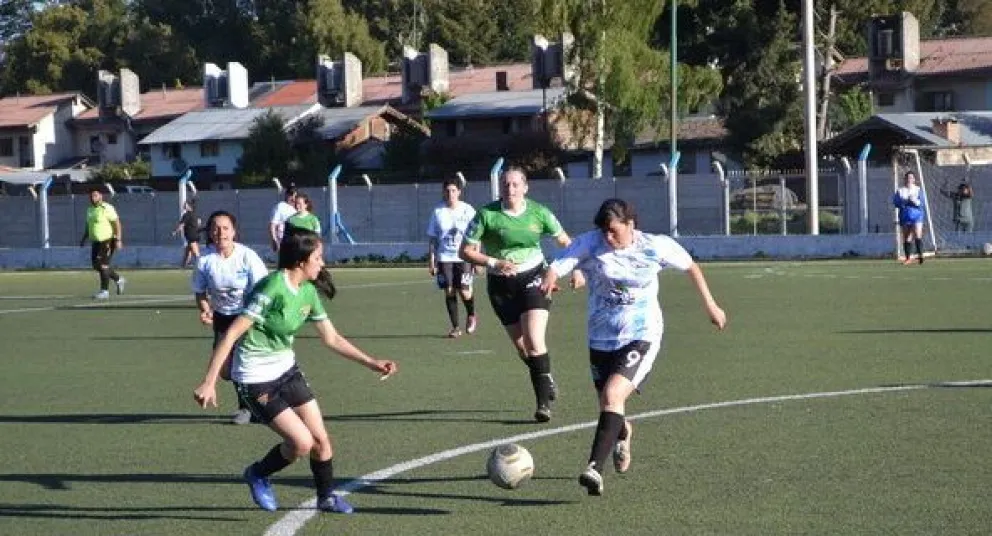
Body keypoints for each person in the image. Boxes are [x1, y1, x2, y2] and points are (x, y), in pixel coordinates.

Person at [193, 229, 398, 514]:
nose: (322, 264)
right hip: (255, 379)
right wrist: (209, 382)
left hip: (287, 371)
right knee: (301, 443)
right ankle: (258, 473)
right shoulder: (272, 287)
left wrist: (371, 362)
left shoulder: (308, 292)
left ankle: (325, 497)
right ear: (301, 261)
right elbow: (230, 335)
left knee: (321, 440)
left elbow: (332, 338)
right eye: (318, 258)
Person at [541, 198, 727, 496]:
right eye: (604, 231)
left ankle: (593, 469)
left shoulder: (655, 246)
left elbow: (691, 267)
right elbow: (558, 265)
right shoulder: (590, 243)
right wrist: (549, 280)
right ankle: (623, 431)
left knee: (613, 395)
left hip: (642, 334)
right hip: (600, 337)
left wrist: (711, 306)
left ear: (630, 224)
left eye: (613, 230)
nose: (608, 237)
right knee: (608, 402)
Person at [459, 166, 580, 423]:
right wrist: (494, 263)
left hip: (534, 277)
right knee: (523, 348)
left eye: (515, 184)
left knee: (534, 340)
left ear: (525, 187)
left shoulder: (539, 213)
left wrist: (576, 270)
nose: (510, 189)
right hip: (501, 287)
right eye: (505, 184)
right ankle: (545, 376)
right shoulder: (486, 215)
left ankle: (543, 405)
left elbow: (567, 243)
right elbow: (465, 251)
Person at [191, 210, 269, 425]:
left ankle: (247, 408)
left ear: (234, 231)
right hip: (222, 318)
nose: (220, 232)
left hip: (247, 316)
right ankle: (257, 404)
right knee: (225, 370)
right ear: (209, 232)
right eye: (215, 228)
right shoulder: (205, 260)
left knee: (244, 362)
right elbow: (200, 292)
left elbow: (265, 289)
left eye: (225, 228)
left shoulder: (247, 256)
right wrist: (205, 309)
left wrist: (256, 314)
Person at [427, 178, 478, 338]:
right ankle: (455, 327)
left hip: (464, 255)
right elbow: (433, 238)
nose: (450, 194)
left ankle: (471, 314)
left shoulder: (468, 210)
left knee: (464, 291)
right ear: (444, 192)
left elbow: (477, 235)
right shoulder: (438, 212)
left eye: (453, 190)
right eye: (447, 191)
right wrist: (431, 260)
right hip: (444, 257)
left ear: (459, 192)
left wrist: (477, 257)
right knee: (449, 291)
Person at [79, 188, 126, 299]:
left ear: (101, 196)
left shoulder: (107, 208)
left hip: (107, 240)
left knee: (103, 265)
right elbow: (88, 226)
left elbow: (117, 223)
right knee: (96, 266)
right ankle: (119, 279)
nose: (92, 197)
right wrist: (84, 238)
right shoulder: (90, 209)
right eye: (91, 195)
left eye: (95, 195)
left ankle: (104, 291)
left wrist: (118, 239)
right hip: (95, 242)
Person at [893, 171, 927, 265]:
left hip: (917, 215)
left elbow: (922, 203)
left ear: (914, 179)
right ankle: (908, 258)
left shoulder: (918, 189)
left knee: (917, 234)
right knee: (907, 237)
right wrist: (904, 202)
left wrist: (915, 201)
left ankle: (920, 256)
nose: (909, 179)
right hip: (905, 216)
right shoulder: (900, 190)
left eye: (911, 178)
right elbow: (896, 202)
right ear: (905, 179)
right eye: (908, 178)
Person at [172, 199, 202, 268]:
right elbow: (199, 222)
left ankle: (201, 266)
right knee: (187, 253)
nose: (184, 205)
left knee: (196, 253)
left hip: (191, 236)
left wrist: (175, 232)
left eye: (185, 204)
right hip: (195, 235)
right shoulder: (194, 214)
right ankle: (183, 266)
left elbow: (181, 225)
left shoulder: (187, 215)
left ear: (189, 206)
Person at [269, 185, 298, 252]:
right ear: (286, 195)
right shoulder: (280, 206)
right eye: (291, 195)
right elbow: (272, 225)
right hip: (283, 241)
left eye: (295, 196)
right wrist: (274, 240)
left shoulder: (297, 208)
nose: (293, 198)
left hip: (296, 241)